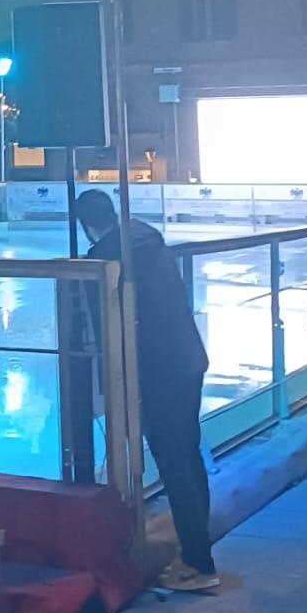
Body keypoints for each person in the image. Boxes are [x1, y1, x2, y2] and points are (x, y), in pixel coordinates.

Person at [73, 189, 221, 591]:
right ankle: (197, 547)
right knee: (187, 454)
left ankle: (199, 563)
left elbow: (106, 325)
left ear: (86, 225)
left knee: (173, 460)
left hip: (157, 369)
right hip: (187, 357)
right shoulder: (146, 237)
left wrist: (111, 380)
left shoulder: (104, 258)